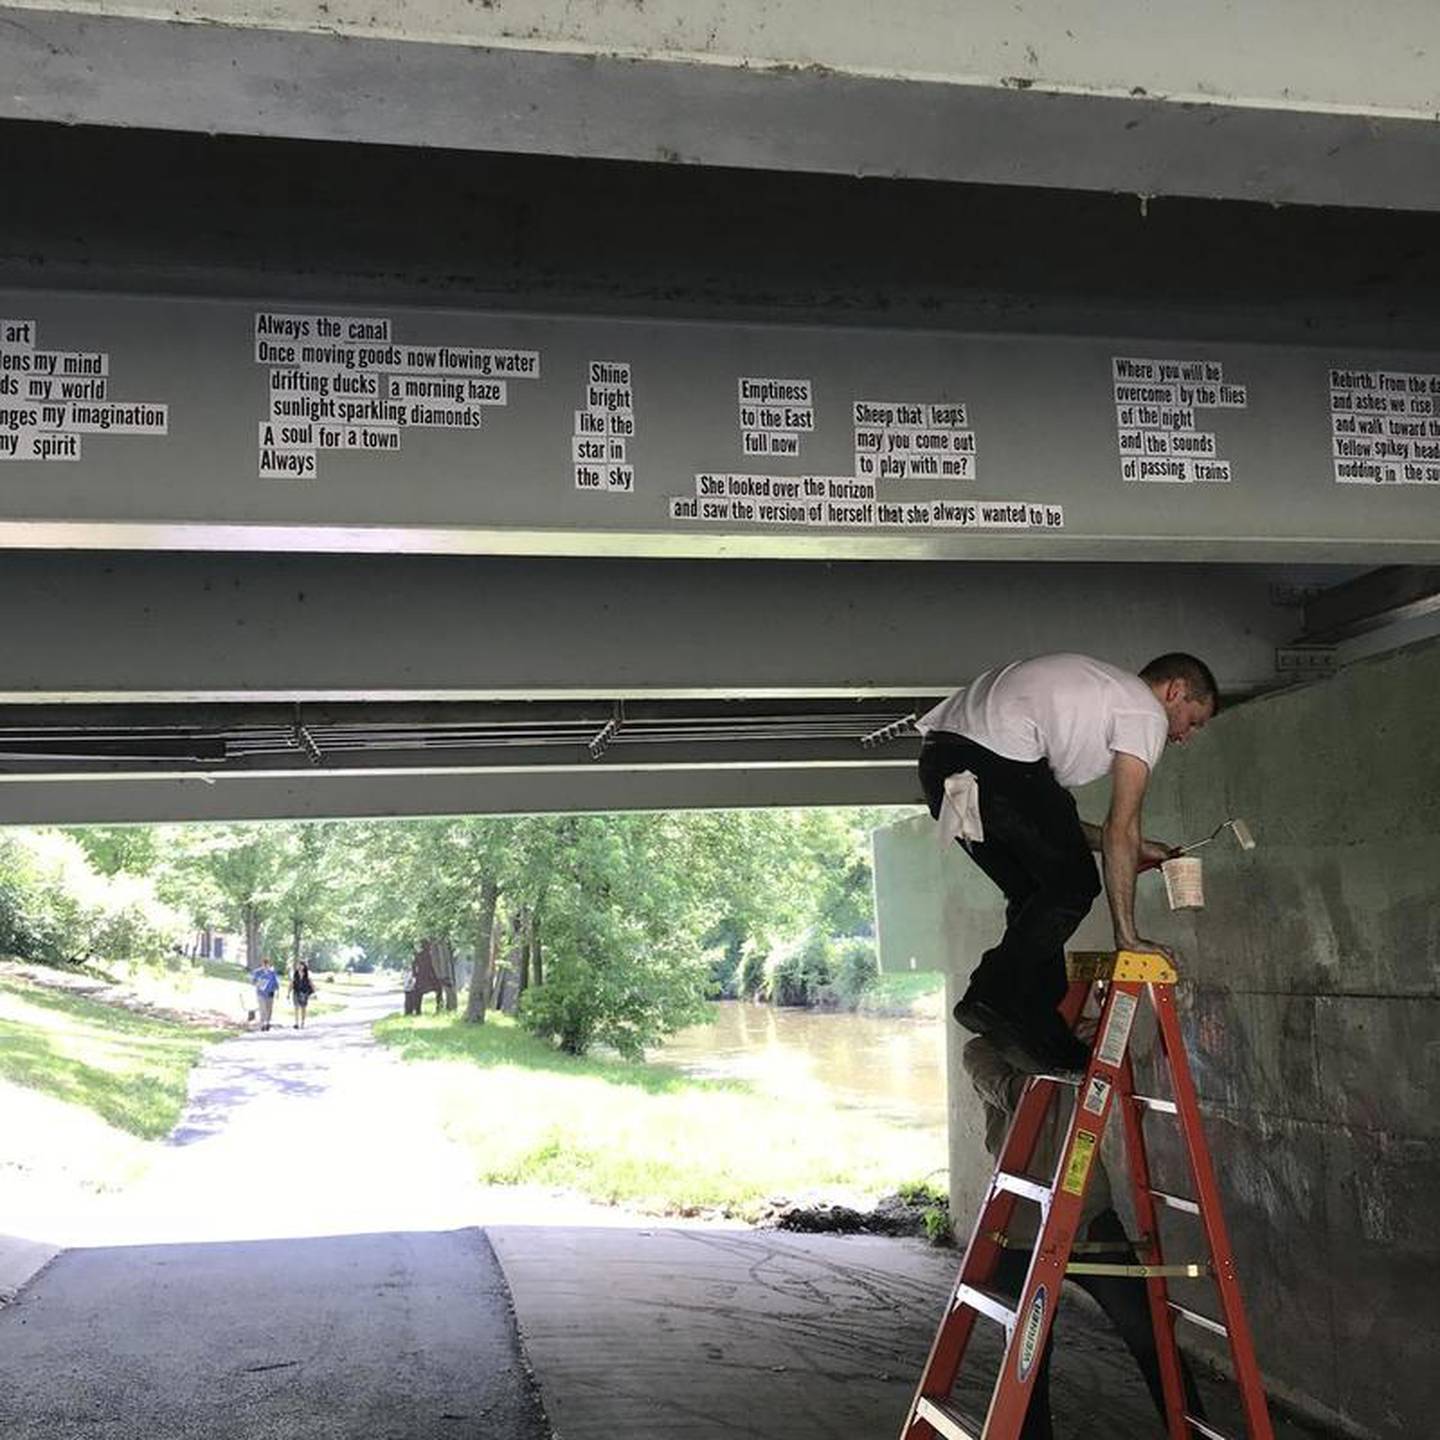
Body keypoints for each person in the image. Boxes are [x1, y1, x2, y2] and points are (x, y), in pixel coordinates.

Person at [918, 652, 1217, 1072]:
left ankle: (1040, 1030)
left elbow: (1044, 823)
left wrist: (1137, 845)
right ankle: (992, 995)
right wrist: (1128, 937)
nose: (1185, 737)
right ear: (1176, 691)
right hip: (993, 762)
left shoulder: (1097, 698)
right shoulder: (1144, 710)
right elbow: (1120, 828)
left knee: (1035, 892)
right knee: (1074, 886)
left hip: (941, 766)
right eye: (1193, 721)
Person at [964, 1029, 1206, 1437]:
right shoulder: (984, 1049)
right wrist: (1060, 1052)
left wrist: (1087, 1042)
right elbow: (1015, 1094)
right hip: (1023, 1227)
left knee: (1150, 1338)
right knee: (1028, 1360)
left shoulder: (1077, 1034)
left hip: (1088, 1215)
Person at [250, 956, 280, 1032]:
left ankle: (268, 1022)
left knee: (269, 1009)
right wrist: (258, 983)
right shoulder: (258, 972)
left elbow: (276, 983)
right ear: (262, 964)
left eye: (267, 964)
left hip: (270, 993)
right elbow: (253, 981)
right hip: (261, 993)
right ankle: (263, 1023)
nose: (266, 966)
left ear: (269, 965)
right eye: (264, 964)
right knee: (262, 1008)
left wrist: (277, 992)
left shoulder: (272, 973)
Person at [290, 959, 315, 1029]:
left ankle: (302, 1022)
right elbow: (291, 983)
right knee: (296, 1007)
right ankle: (296, 1023)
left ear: (304, 966)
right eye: (299, 965)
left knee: (303, 1008)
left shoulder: (308, 974)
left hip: (304, 993)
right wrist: (288, 993)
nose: (300, 967)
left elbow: (311, 983)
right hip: (296, 992)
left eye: (301, 965)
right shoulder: (295, 974)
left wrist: (314, 993)